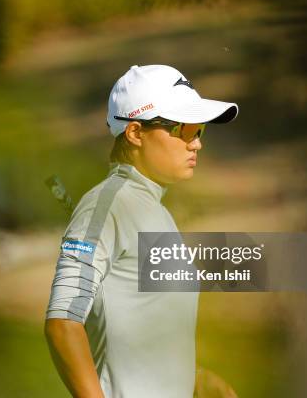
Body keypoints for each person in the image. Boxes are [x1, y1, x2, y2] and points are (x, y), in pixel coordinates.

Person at [44, 64, 238, 398]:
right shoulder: (106, 205)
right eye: (186, 129)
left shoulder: (155, 212)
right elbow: (62, 324)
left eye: (200, 130)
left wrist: (194, 379)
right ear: (135, 133)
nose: (197, 145)